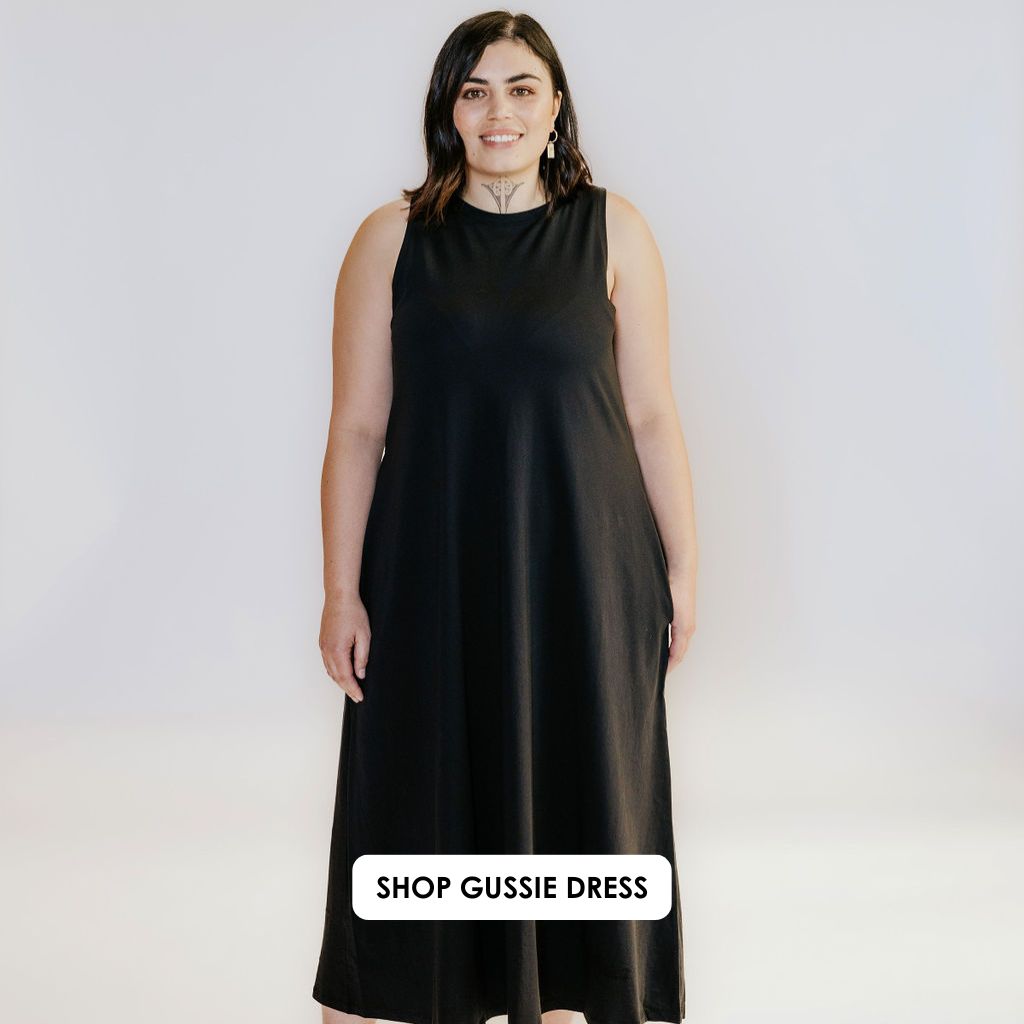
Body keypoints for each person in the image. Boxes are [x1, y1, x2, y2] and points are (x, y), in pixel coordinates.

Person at [312, 11, 698, 1024]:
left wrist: (683, 568)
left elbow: (652, 415)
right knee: (417, 790)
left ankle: (567, 996)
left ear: (555, 105)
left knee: (581, 790)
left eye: (522, 88)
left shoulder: (614, 231)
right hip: (430, 575)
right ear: (448, 108)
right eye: (475, 90)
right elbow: (356, 429)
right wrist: (341, 591)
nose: (499, 112)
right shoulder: (390, 240)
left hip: (586, 570)